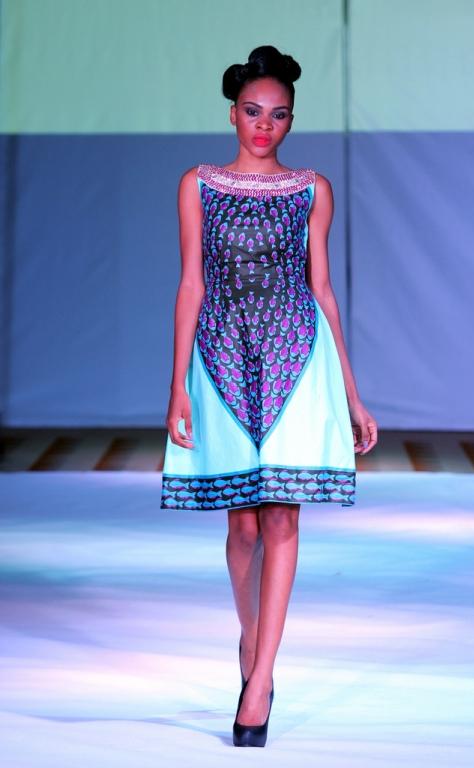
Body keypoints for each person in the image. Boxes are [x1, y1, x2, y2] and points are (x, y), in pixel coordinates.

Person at [161, 45, 377, 747]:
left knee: (281, 515)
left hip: (296, 355)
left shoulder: (312, 189)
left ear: (290, 121)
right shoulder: (199, 184)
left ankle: (259, 682)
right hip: (223, 355)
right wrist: (177, 386)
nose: (264, 125)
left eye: (278, 115)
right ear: (232, 114)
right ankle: (252, 639)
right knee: (243, 527)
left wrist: (351, 394)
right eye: (253, 112)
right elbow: (190, 284)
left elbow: (323, 290)